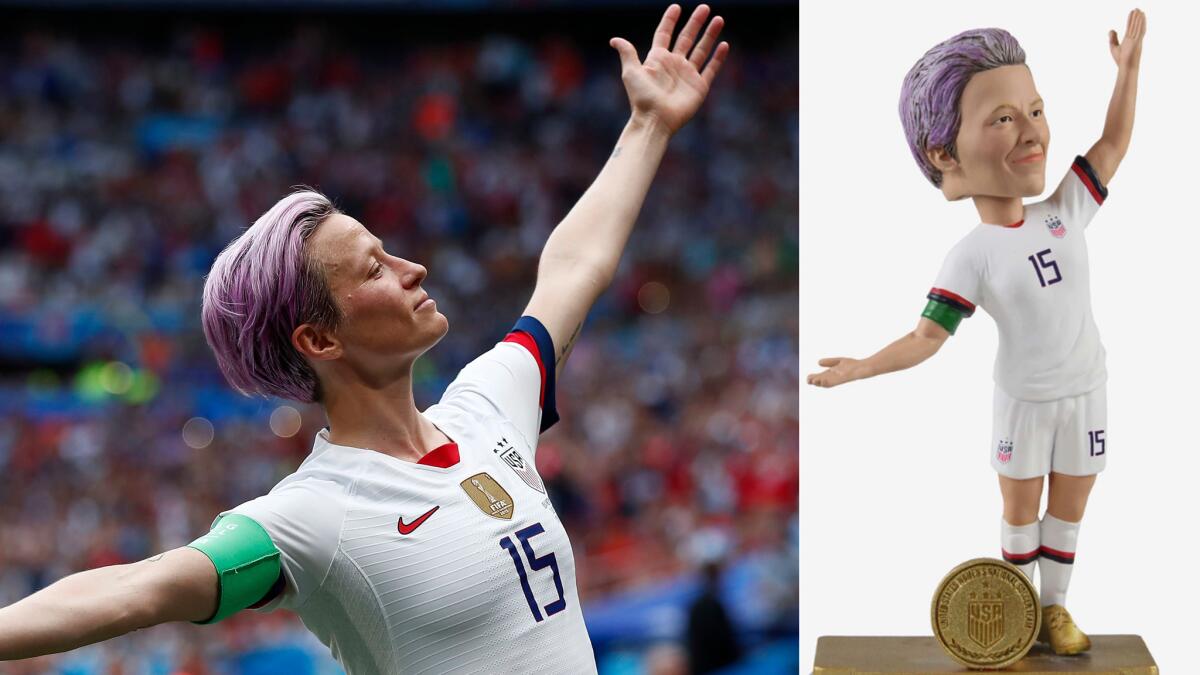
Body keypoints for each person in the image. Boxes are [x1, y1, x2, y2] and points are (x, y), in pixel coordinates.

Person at [0, 5, 729, 672]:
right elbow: (138, 588)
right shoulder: (315, 515)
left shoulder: (486, 408)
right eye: (375, 266)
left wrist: (648, 126)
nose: (414, 269)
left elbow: (570, 272)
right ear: (319, 338)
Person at [807, 10, 1145, 656]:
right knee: (1022, 513)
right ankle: (1016, 613)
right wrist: (862, 365)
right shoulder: (974, 254)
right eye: (1002, 119)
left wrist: (1128, 73)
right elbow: (927, 336)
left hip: (1087, 390)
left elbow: (1113, 144)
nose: (1031, 131)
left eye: (1035, 109)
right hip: (1024, 401)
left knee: (1069, 508)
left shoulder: (1065, 212)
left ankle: (1055, 608)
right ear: (944, 154)